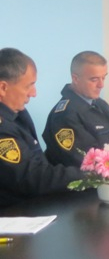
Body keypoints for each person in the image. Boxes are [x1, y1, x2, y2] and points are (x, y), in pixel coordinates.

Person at [0, 48, 83, 208]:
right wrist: (90, 175)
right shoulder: (3, 127)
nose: (34, 93)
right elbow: (31, 177)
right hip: (12, 213)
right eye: (28, 86)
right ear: (3, 88)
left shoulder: (17, 115)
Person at [42, 51, 109, 167]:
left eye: (103, 78)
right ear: (75, 79)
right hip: (90, 177)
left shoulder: (100, 104)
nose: (101, 85)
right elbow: (86, 161)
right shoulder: (65, 115)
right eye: (94, 79)